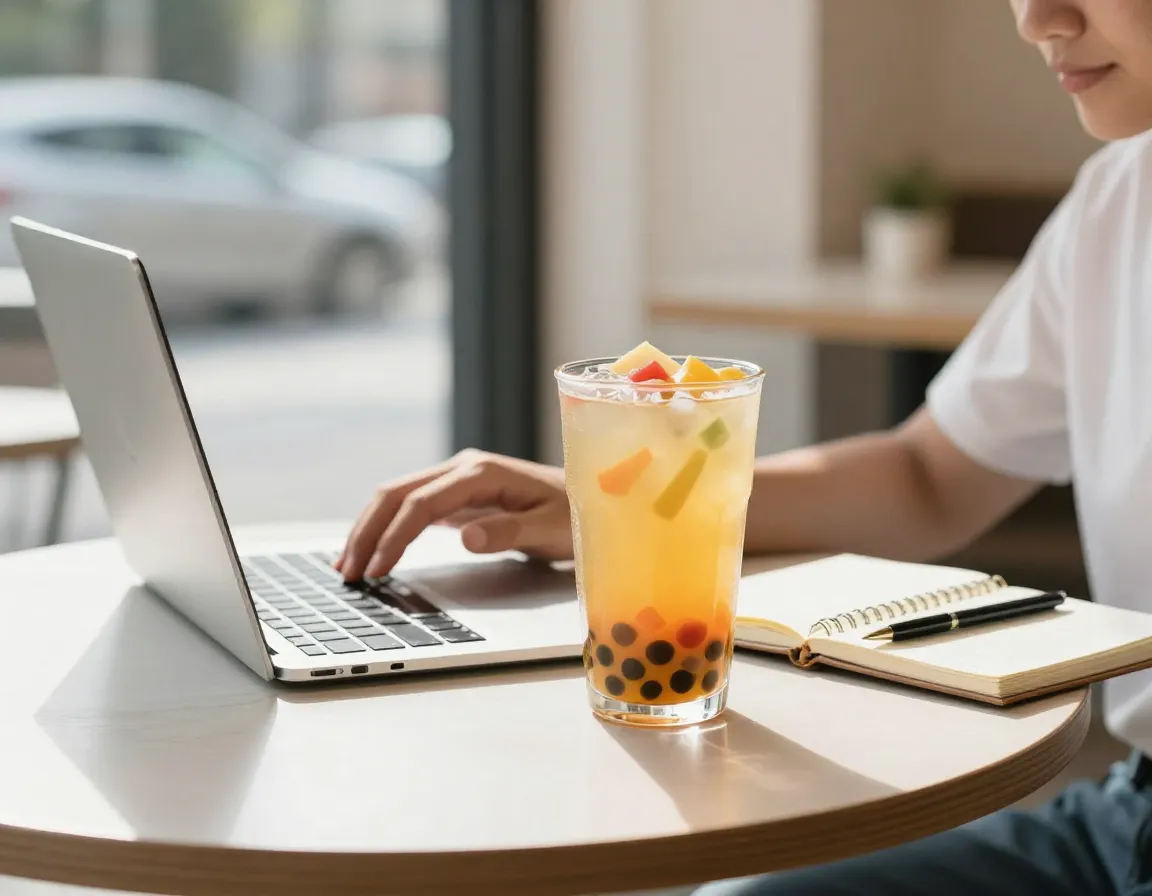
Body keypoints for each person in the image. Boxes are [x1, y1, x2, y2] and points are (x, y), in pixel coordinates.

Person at [335, 1, 1152, 891]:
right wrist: (611, 503)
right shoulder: (1118, 202)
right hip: (1127, 818)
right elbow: (929, 475)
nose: (1037, 19)